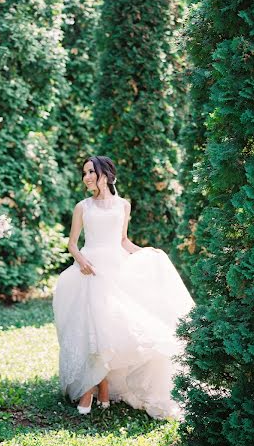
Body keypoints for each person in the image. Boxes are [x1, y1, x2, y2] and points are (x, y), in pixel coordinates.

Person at [53, 156, 194, 418]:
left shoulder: (123, 206)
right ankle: (95, 387)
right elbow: (72, 243)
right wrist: (81, 261)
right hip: (90, 269)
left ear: (105, 174)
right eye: (84, 173)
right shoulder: (82, 207)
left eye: (91, 172)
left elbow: (123, 241)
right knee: (94, 326)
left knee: (115, 328)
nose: (86, 177)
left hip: (116, 269)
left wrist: (147, 253)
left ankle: (102, 386)